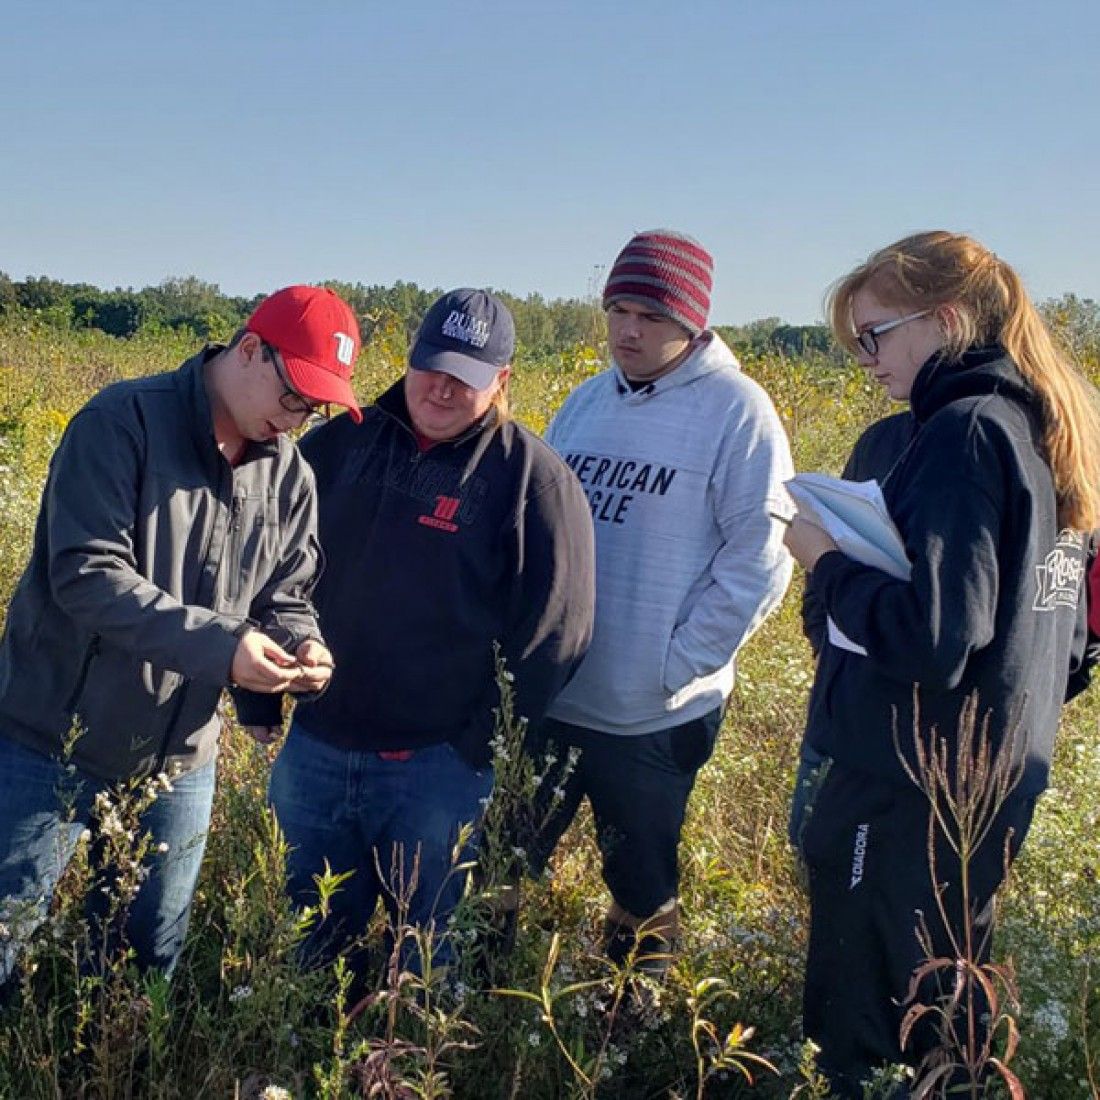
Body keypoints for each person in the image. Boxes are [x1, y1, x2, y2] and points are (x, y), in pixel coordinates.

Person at [783, 231, 1100, 1095]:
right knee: (945, 1008)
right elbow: (1065, 642)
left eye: (877, 335)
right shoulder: (1042, 427)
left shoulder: (962, 435)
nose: (866, 358)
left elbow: (935, 638)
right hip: (985, 779)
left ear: (947, 320)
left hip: (905, 782)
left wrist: (827, 560)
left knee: (865, 1027)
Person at [0, 285, 362, 983]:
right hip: (50, 743)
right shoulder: (122, 423)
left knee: (145, 965)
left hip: (179, 761)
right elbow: (86, 575)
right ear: (251, 349)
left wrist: (304, 644)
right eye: (294, 397)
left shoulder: (288, 473)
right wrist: (225, 649)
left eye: (314, 408)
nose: (297, 420)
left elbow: (286, 591)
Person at [264, 288, 594, 989]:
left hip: (438, 770)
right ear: (409, 359)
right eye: (431, 367)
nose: (441, 388)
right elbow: (268, 564)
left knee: (429, 958)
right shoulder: (339, 443)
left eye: (466, 377)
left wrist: (478, 746)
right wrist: (260, 697)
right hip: (317, 751)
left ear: (501, 381)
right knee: (312, 945)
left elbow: (556, 636)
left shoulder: (534, 482)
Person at [526, 229, 794, 976]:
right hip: (560, 696)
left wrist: (678, 663)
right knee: (505, 859)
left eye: (650, 315)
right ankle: (480, 1003)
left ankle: (630, 1017)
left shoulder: (737, 412)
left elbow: (760, 556)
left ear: (693, 323)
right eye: (617, 309)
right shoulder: (584, 404)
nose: (628, 331)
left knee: (640, 884)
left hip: (654, 712)